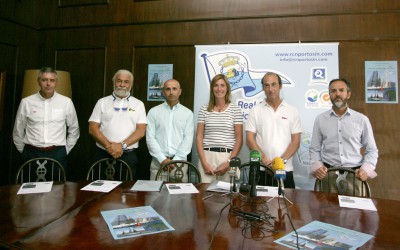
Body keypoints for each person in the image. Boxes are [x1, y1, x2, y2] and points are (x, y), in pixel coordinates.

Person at [309, 78, 378, 193]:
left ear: (348, 94)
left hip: (355, 176)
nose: (337, 94)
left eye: (341, 90)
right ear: (329, 95)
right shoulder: (320, 119)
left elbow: (372, 150)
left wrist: (365, 170)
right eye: (333, 91)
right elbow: (314, 149)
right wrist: (317, 167)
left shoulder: (361, 120)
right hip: (328, 175)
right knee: (327, 210)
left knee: (355, 211)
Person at [13, 67, 80, 170]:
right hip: (31, 153)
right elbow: (18, 130)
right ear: (38, 82)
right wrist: (24, 151)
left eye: (52, 80)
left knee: (58, 186)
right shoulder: (26, 102)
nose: (48, 84)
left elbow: (74, 129)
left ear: (56, 82)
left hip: (57, 153)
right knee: (29, 185)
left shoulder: (66, 102)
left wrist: (65, 150)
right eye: (44, 80)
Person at [246, 72, 302, 189]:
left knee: (285, 205)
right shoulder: (255, 110)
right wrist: (265, 159)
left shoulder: (292, 111)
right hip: (261, 169)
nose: (270, 89)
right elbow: (250, 139)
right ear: (263, 88)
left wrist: (280, 161)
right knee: (258, 206)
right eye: (266, 85)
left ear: (280, 86)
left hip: (285, 170)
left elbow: (295, 141)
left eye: (273, 84)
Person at [88, 69, 146, 177]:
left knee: (126, 191)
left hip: (128, 155)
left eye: (126, 82)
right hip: (103, 153)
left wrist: (121, 146)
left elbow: (141, 131)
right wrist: (109, 146)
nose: (122, 84)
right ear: (114, 82)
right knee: (100, 190)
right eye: (119, 81)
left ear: (131, 85)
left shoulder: (139, 104)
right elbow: (93, 128)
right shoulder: (102, 102)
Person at [196, 74, 243, 183]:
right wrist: (204, 163)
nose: (219, 89)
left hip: (227, 156)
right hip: (207, 157)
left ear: (227, 88)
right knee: (204, 195)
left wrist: (228, 163)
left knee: (226, 197)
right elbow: (199, 138)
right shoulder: (204, 109)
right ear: (212, 88)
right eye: (216, 85)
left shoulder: (235, 110)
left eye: (222, 85)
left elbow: (239, 140)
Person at [146, 79, 194, 180]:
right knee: (156, 195)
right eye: (168, 89)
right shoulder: (153, 112)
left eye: (174, 89)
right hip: (158, 163)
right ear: (163, 92)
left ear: (180, 91)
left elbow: (188, 139)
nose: (171, 92)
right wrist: (162, 159)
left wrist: (175, 161)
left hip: (180, 164)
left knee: (180, 196)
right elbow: (150, 137)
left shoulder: (188, 113)